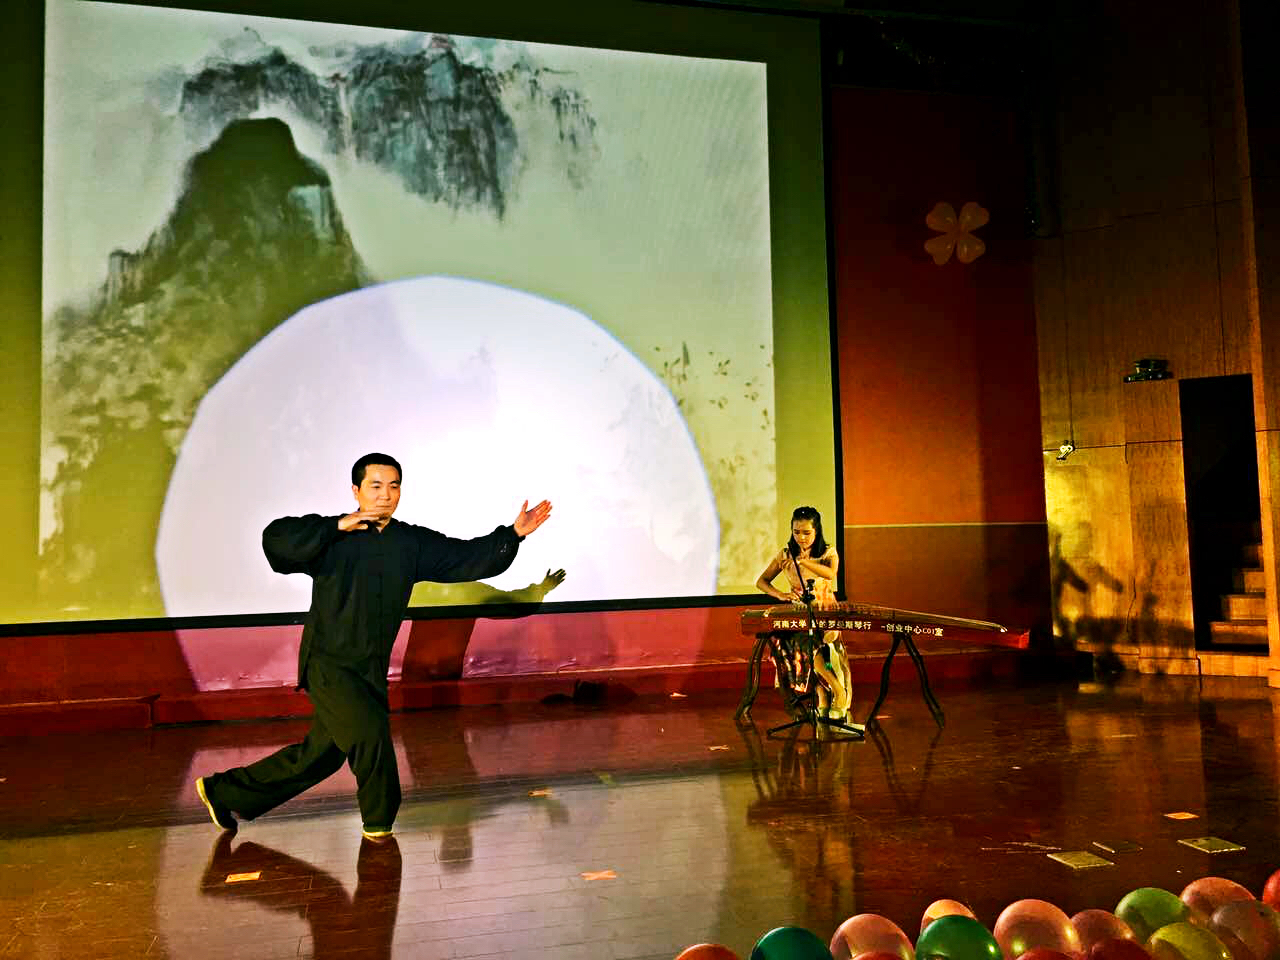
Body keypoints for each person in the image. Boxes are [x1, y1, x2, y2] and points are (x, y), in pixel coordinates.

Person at [196, 452, 552, 840]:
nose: (385, 494)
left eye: (393, 486)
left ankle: (223, 791)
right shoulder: (333, 536)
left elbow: (466, 557)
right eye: (376, 486)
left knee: (320, 756)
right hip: (329, 664)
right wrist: (334, 526)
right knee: (371, 738)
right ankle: (379, 826)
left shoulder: (410, 542)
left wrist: (513, 534)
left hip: (369, 669)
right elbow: (276, 540)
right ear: (357, 490)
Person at [754, 505, 852, 721]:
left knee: (812, 643)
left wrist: (804, 561)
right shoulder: (786, 554)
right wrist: (780, 594)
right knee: (786, 642)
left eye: (807, 533)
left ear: (817, 531)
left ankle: (837, 690)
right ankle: (823, 694)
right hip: (799, 613)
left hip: (824, 612)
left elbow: (831, 573)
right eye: (796, 532)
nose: (801, 538)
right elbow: (761, 581)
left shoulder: (828, 552)